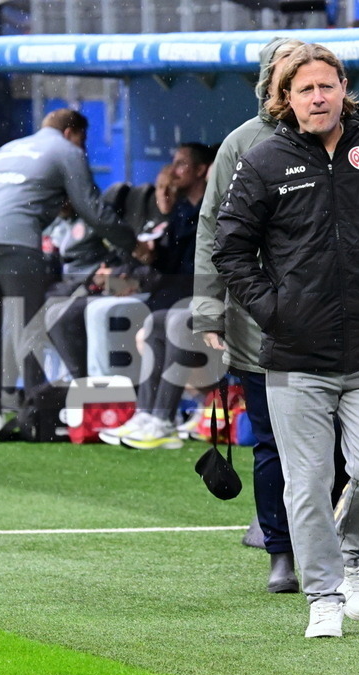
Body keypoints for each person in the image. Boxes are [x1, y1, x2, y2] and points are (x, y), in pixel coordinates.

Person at [213, 43, 359, 638]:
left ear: (343, 89)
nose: (317, 98)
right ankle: (324, 597)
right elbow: (229, 247)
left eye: (326, 86)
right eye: (304, 89)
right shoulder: (261, 160)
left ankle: (355, 557)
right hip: (295, 355)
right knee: (305, 483)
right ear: (285, 98)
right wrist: (272, 310)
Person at [191, 37, 306, 594]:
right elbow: (213, 229)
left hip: (338, 326)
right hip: (262, 321)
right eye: (293, 78)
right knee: (273, 441)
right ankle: (280, 551)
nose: (305, 90)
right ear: (271, 84)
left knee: (337, 445)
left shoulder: (351, 141)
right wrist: (209, 308)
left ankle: (330, 546)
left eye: (315, 79)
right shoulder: (241, 144)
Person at [0, 108, 142, 438]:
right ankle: (33, 415)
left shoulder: (5, 150)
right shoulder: (65, 150)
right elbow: (91, 209)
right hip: (13, 237)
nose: (83, 149)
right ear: (71, 133)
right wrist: (131, 243)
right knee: (29, 325)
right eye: (83, 140)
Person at [96, 143, 217, 450]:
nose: (173, 170)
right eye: (173, 162)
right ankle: (147, 414)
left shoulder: (215, 206)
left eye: (181, 164)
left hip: (205, 295)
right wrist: (153, 253)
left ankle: (164, 418)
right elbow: (169, 262)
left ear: (202, 170)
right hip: (176, 292)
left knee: (169, 321)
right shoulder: (179, 209)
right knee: (150, 324)